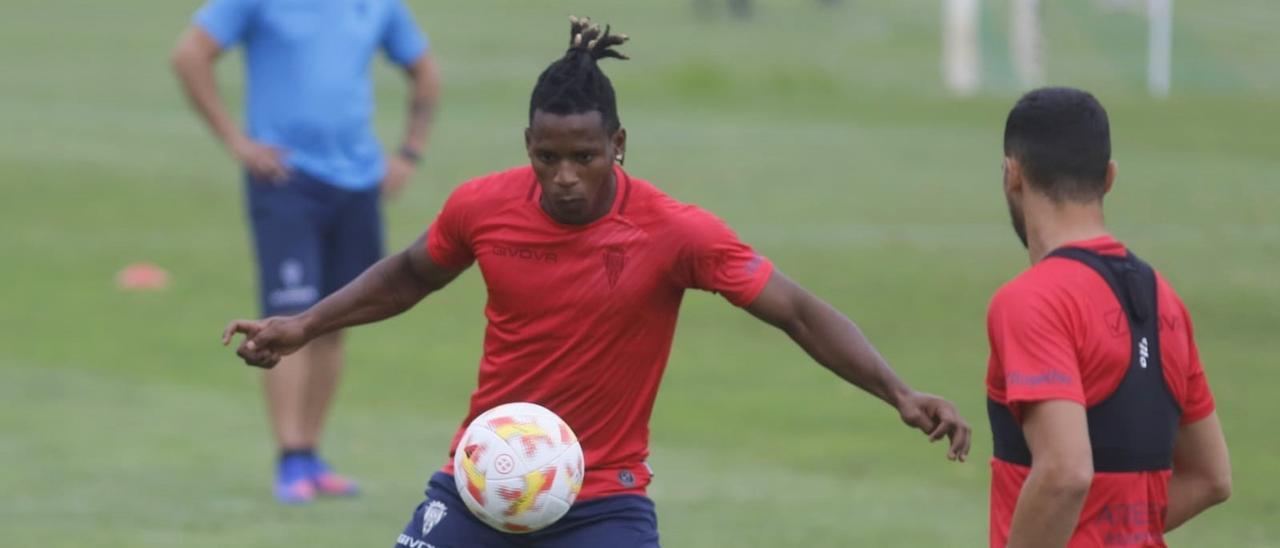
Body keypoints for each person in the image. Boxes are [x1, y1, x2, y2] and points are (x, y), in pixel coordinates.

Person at [222, 17, 970, 547]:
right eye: (548, 157)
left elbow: (800, 313)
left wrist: (898, 392)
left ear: (617, 144)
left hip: (602, 501)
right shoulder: (482, 206)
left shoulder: (677, 233)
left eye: (583, 155)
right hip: (480, 483)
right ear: (528, 145)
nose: (565, 177)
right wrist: (303, 325)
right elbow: (410, 276)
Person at [171, 0, 442, 504]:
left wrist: (408, 153)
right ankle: (290, 457)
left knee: (334, 318)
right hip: (285, 179)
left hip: (358, 182)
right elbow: (190, 54)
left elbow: (424, 69)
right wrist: (237, 142)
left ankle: (312, 453)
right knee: (289, 314)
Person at [986, 87, 1231, 547]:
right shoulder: (1165, 300)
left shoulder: (1031, 300)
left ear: (1013, 173)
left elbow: (1065, 471)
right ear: (1110, 177)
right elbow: (1210, 476)